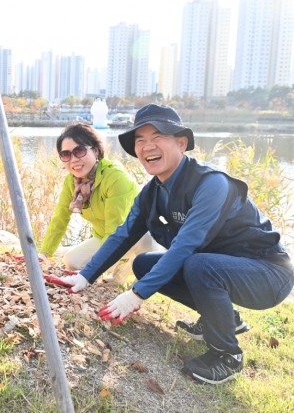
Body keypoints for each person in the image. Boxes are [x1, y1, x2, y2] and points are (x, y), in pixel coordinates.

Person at [62, 104, 294, 385]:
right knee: (144, 264)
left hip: (268, 273)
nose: (148, 147)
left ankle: (227, 355)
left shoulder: (212, 184)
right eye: (140, 140)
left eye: (157, 136)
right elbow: (124, 234)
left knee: (198, 263)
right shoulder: (153, 191)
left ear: (181, 143)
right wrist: (85, 276)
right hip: (222, 267)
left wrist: (134, 296)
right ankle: (224, 319)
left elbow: (186, 246)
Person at [38, 122, 154, 285]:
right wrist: (44, 254)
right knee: (72, 261)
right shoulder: (72, 182)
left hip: (139, 236)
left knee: (142, 264)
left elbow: (115, 230)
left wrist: (88, 274)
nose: (73, 160)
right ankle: (120, 262)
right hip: (105, 236)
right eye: (66, 154)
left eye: (79, 151)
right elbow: (60, 217)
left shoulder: (115, 178)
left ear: (96, 150)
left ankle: (126, 265)